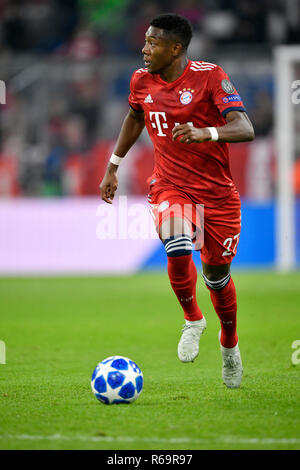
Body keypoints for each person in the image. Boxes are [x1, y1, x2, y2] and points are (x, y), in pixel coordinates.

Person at [100, 13, 255, 388]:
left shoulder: (209, 76)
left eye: (153, 43)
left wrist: (207, 132)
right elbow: (135, 118)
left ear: (176, 48)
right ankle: (192, 319)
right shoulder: (141, 80)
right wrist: (113, 166)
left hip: (218, 196)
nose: (144, 48)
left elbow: (245, 128)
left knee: (217, 277)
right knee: (177, 240)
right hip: (171, 185)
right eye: (145, 40)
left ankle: (229, 345)